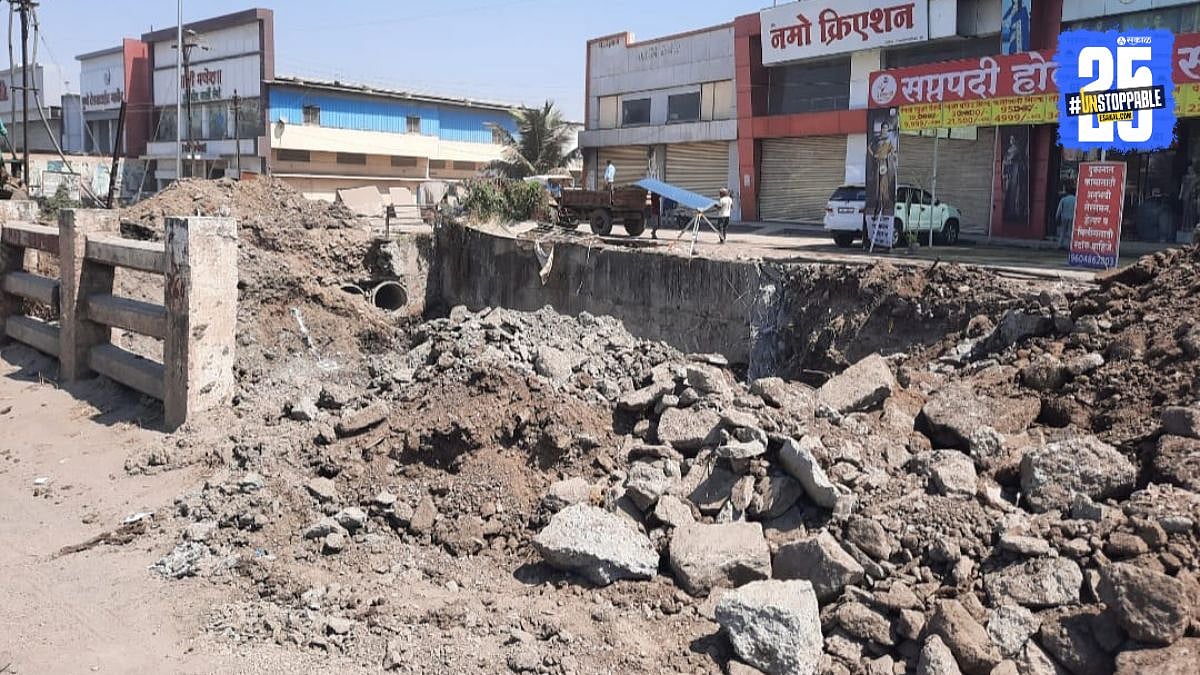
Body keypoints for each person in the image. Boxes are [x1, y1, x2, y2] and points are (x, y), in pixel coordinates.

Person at [1055, 183, 1076, 250]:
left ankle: (1060, 245)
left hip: (1064, 217)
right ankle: (1069, 245)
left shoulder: (1063, 199)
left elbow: (1059, 209)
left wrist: (1057, 216)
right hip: (1072, 217)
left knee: (1063, 231)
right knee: (1070, 231)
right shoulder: (1075, 199)